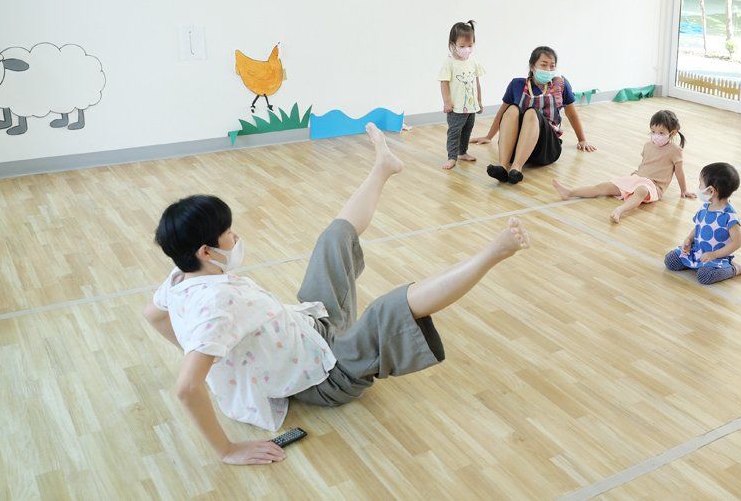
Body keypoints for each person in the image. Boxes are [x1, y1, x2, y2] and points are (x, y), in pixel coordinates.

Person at [142, 123, 531, 465]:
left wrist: (208, 354)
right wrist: (226, 448)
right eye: (229, 233)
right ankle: (494, 253)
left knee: (332, 239)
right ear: (206, 252)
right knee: (388, 308)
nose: (236, 236)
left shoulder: (180, 276)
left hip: (309, 327)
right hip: (327, 374)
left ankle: (383, 167)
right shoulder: (215, 306)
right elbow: (187, 387)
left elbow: (153, 315)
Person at [471, 46, 594, 184]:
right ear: (532, 66)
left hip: (546, 149)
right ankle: (503, 166)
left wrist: (582, 139)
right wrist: (489, 136)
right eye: (543, 65)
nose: (548, 70)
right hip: (517, 146)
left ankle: (516, 168)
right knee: (511, 109)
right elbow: (502, 114)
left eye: (552, 66)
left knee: (531, 113)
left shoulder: (561, 85)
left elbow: (571, 114)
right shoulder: (516, 84)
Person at [553, 110, 695, 224]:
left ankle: (620, 210)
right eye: (653, 131)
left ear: (673, 133)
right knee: (604, 186)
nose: (656, 136)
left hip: (654, 186)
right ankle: (569, 193)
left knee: (640, 191)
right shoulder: (648, 145)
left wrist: (684, 190)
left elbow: (679, 172)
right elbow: (645, 164)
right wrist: (632, 179)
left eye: (661, 133)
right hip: (637, 178)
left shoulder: (675, 150)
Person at [664, 162, 741, 285]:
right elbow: (698, 227)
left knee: (705, 276)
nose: (699, 187)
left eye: (700, 183)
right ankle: (698, 264)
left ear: (711, 190)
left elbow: (737, 242)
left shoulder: (729, 215)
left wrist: (714, 254)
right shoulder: (704, 207)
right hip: (697, 251)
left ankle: (734, 269)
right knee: (671, 260)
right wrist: (689, 240)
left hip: (717, 258)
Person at [437, 20, 485, 170]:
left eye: (470, 46)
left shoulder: (473, 61)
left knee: (467, 130)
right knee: (454, 131)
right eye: (462, 46)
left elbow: (476, 82)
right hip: (456, 107)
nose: (467, 49)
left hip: (470, 106)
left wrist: (479, 101)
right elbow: (444, 82)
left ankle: (462, 152)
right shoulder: (449, 63)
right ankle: (452, 157)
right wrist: (447, 101)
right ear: (453, 44)